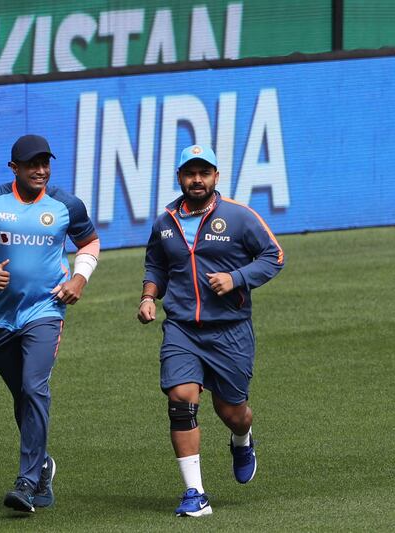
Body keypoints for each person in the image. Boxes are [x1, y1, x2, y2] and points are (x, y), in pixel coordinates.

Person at [137, 144, 284, 517]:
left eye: (204, 173)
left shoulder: (239, 217)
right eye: (190, 173)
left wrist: (236, 278)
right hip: (182, 330)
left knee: (232, 410)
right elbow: (156, 265)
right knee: (181, 402)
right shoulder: (165, 222)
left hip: (230, 331)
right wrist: (149, 297)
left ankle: (241, 439)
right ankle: (194, 494)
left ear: (216, 177)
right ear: (180, 178)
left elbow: (274, 256)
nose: (197, 180)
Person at [0, 134, 100, 513]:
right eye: (32, 164)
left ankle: (26, 480)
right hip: (3, 316)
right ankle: (44, 464)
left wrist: (78, 280)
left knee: (35, 388)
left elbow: (90, 243)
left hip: (46, 311)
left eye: (45, 163)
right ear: (14, 168)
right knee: (23, 395)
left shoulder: (66, 205)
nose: (40, 170)